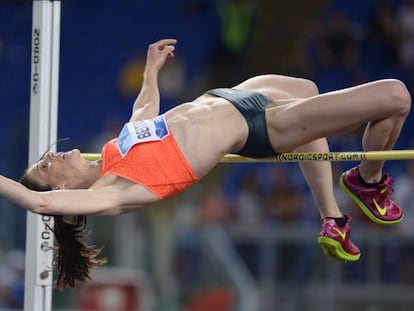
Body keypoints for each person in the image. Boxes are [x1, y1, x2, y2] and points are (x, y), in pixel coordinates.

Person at [0, 39, 411, 288]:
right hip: (258, 126)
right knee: (395, 97)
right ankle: (365, 181)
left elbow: (144, 114)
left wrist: (150, 72)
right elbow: (39, 205)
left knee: (307, 87)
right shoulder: (110, 193)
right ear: (60, 190)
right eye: (44, 166)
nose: (51, 154)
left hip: (231, 95)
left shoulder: (112, 152)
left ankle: (335, 218)